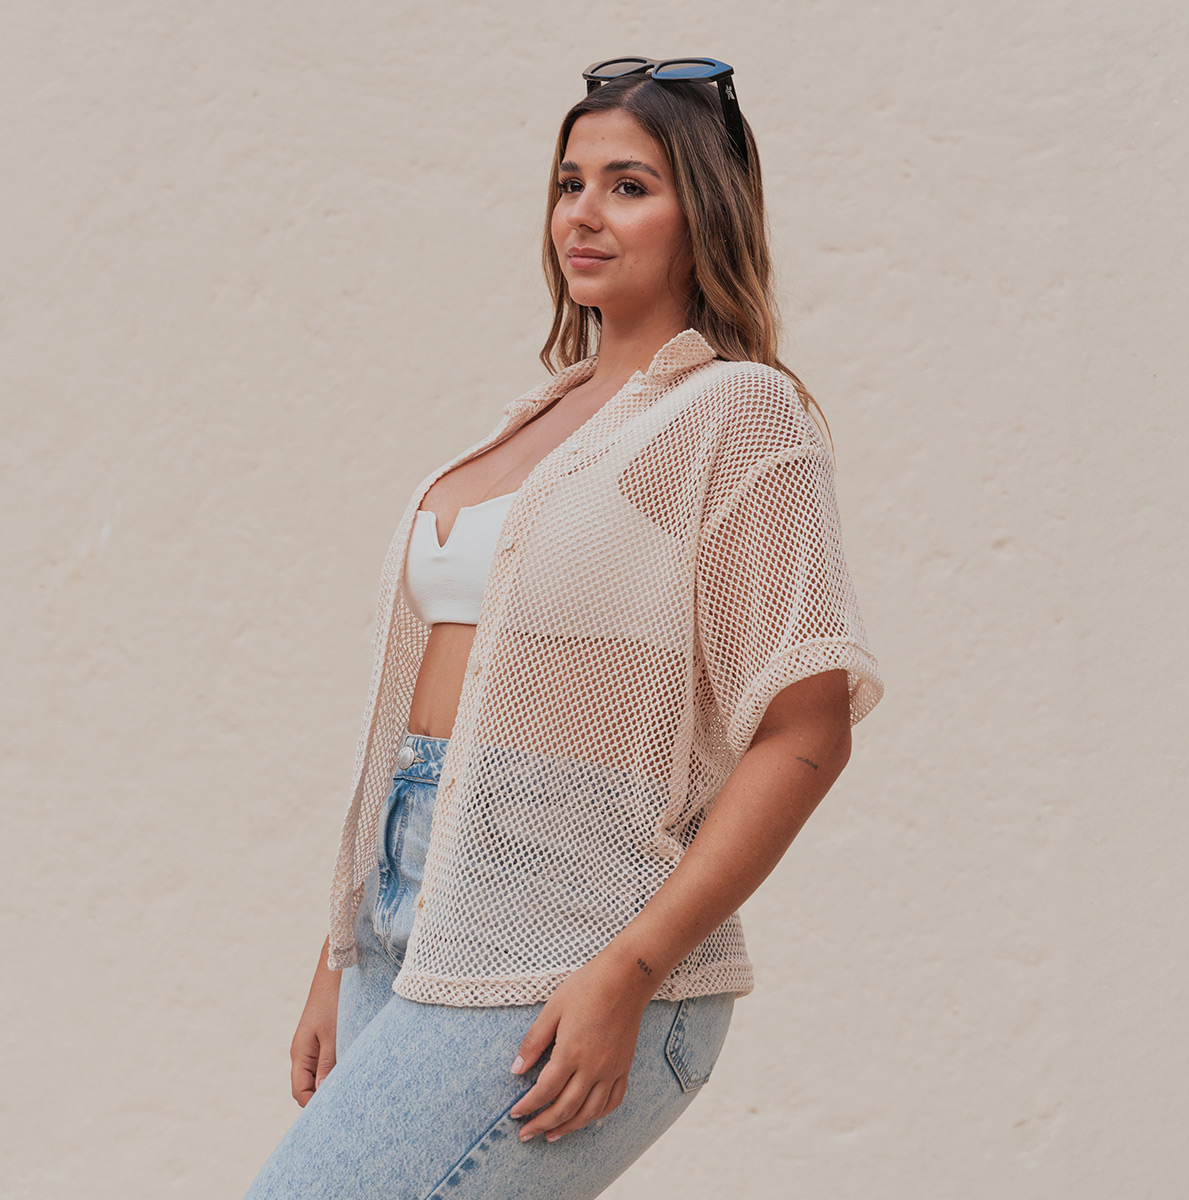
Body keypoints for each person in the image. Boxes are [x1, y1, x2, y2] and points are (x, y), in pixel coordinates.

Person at [242, 55, 884, 1200]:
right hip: (409, 911)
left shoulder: (736, 412)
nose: (583, 214)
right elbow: (446, 727)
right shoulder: (539, 414)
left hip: (570, 939)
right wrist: (342, 950)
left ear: (706, 212)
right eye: (568, 183)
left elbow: (808, 731)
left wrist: (631, 967)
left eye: (629, 186)